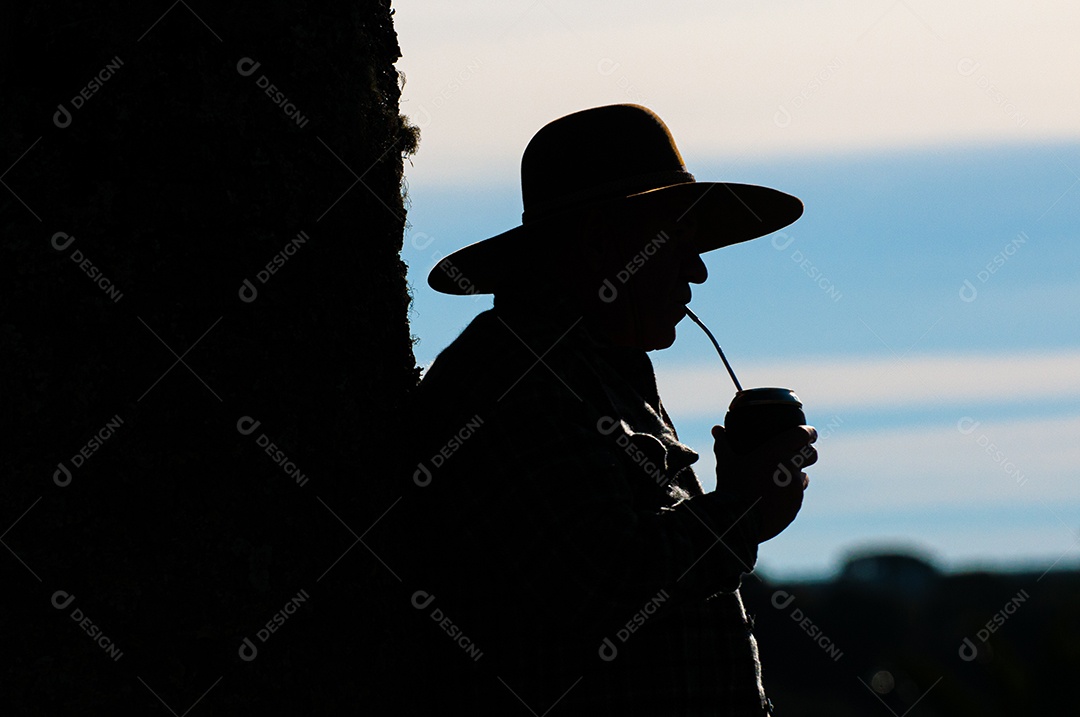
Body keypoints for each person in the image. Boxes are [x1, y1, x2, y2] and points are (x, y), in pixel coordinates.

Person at [391, 104, 817, 716]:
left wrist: (735, 505)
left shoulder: (597, 374)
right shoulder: (517, 377)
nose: (697, 270)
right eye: (679, 242)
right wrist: (742, 511)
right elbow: (600, 578)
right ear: (598, 243)